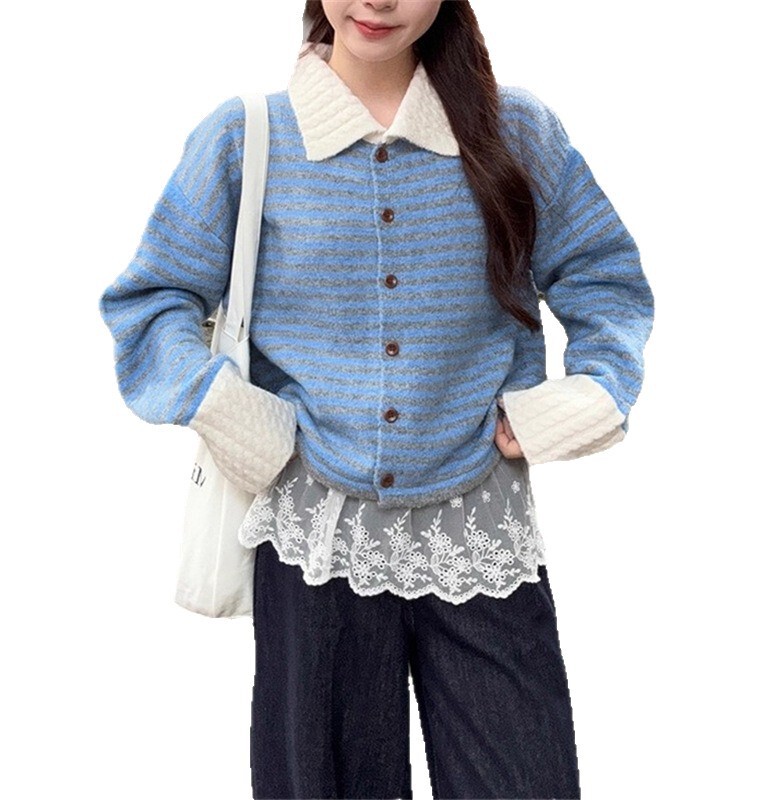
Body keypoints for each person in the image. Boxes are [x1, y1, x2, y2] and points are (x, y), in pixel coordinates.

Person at [98, 1, 655, 797]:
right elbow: (152, 302)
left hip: (477, 534)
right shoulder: (248, 137)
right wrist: (235, 415)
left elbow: (605, 280)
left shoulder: (517, 131)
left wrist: (581, 400)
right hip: (314, 538)